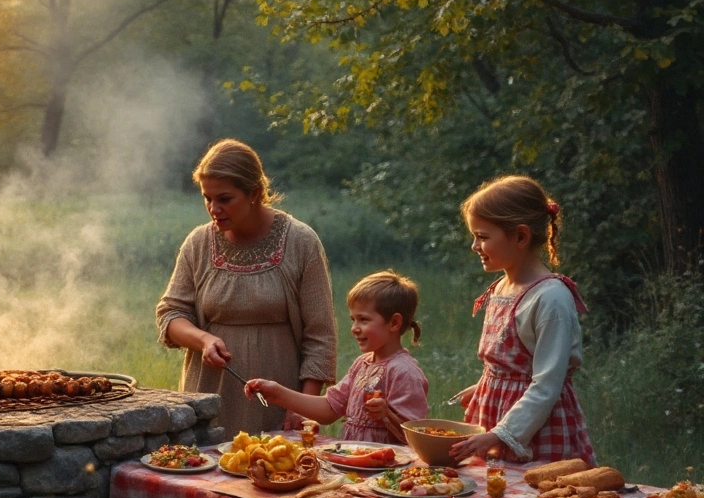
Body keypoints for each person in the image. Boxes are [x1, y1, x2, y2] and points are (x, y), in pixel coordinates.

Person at [156, 138, 337, 435]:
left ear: (254, 193)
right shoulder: (198, 243)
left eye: (225, 199)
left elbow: (320, 336)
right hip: (208, 394)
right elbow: (170, 315)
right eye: (207, 198)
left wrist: (302, 406)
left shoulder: (301, 242)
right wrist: (203, 340)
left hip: (279, 397)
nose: (214, 208)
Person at [447, 175, 596, 464]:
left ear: (520, 236)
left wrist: (500, 434)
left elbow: (546, 385)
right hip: (497, 417)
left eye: (483, 237)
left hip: (535, 430)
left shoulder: (551, 298)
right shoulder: (501, 288)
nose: (474, 246)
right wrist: (485, 387)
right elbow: (512, 366)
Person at [243, 270, 428, 444]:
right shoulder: (361, 364)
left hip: (386, 472)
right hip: (353, 463)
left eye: (363, 319)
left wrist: (387, 414)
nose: (354, 328)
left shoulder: (404, 372)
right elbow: (329, 409)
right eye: (353, 319)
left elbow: (418, 439)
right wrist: (278, 393)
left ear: (394, 323)